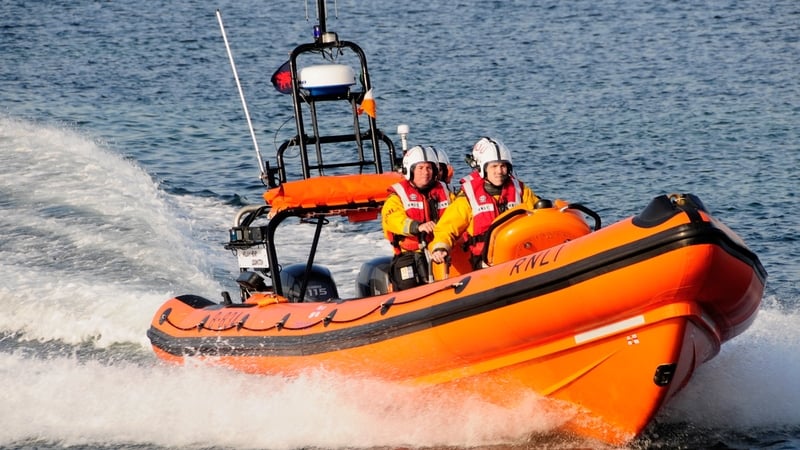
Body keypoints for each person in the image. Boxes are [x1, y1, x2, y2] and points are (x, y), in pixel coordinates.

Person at [429, 136, 539, 271]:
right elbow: (446, 228)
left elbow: (540, 214)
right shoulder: (468, 197)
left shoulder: (521, 191)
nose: (499, 171)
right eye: (494, 166)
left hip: (520, 254)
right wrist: (440, 247)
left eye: (503, 166)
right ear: (483, 168)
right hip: (486, 261)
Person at [382, 145, 454, 290]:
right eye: (420, 168)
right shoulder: (398, 196)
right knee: (407, 285)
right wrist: (417, 226)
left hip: (440, 248)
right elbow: (393, 219)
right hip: (409, 254)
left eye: (429, 168)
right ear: (411, 170)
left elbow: (457, 215)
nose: (425, 172)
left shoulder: (446, 192)